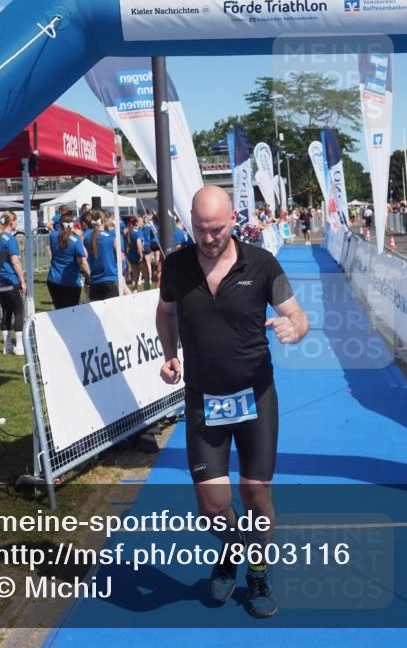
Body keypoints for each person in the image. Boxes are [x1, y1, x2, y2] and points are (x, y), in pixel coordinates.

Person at [156, 187, 309, 619]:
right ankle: (234, 549)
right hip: (204, 402)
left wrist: (293, 329)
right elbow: (166, 312)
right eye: (200, 230)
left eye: (217, 229)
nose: (208, 238)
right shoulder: (176, 266)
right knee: (211, 508)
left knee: (255, 494)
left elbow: (298, 315)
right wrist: (169, 354)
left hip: (255, 397)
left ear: (234, 219)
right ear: (190, 222)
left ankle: (257, 571)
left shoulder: (261, 264)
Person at [0, 211, 27, 354]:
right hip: (10, 279)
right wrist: (22, 281)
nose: (16, 223)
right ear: (11, 222)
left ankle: (7, 346)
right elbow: (15, 261)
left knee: (6, 311)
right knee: (18, 310)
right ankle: (19, 346)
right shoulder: (10, 239)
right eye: (16, 220)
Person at [46, 211, 90, 309]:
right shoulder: (76, 240)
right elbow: (82, 260)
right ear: (72, 225)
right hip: (70, 282)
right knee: (71, 312)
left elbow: (55, 232)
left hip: (53, 280)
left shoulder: (53, 236)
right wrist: (89, 276)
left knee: (59, 310)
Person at [84, 209, 126, 301]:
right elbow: (121, 257)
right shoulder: (111, 237)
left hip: (94, 283)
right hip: (110, 280)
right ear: (104, 220)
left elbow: (84, 258)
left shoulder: (86, 238)